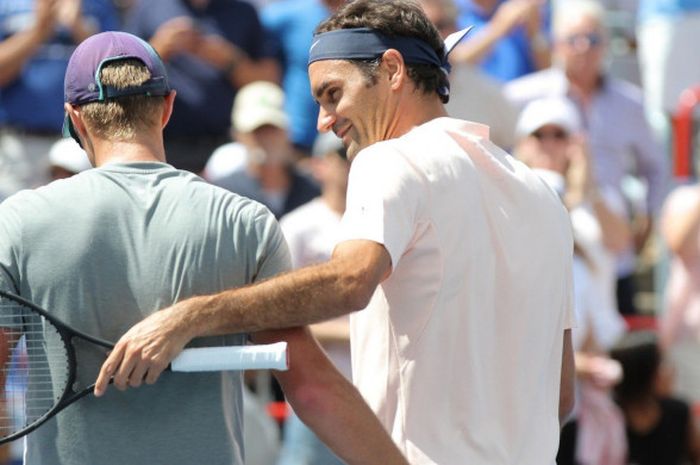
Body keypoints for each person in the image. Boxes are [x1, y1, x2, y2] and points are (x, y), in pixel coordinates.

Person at [96, 2, 575, 464]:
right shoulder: (541, 193)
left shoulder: (388, 159)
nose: (324, 121)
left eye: (332, 94)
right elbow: (561, 394)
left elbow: (349, 281)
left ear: (391, 71)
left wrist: (190, 316)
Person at [0, 31, 407, 465]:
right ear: (168, 107)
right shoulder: (243, 221)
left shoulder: (19, 221)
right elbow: (310, 386)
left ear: (75, 118)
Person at [504, 0, 669, 315]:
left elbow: (656, 167)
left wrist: (646, 221)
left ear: (606, 44)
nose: (583, 48)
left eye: (592, 39)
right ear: (556, 44)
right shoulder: (518, 96)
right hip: (538, 241)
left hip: (610, 239)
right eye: (573, 39)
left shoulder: (630, 103)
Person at [125, 0, 280, 173]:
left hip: (226, 147)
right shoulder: (149, 8)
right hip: (165, 146)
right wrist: (158, 49)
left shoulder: (243, 11)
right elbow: (124, 81)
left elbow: (267, 84)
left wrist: (226, 58)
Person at [276, 132, 350, 465]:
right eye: (340, 155)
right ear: (319, 166)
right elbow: (279, 314)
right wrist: (350, 333)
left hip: (380, 387)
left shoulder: (386, 219)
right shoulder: (298, 226)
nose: (350, 161)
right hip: (317, 389)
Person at [0, 0, 117, 198]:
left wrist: (78, 28)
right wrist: (39, 30)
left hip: (79, 141)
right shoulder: (7, 5)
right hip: (21, 143)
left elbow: (115, 74)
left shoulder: (99, 5)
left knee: (76, 224)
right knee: (15, 224)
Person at [205, 81, 320, 219]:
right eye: (256, 131)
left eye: (272, 129)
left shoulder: (314, 189)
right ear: (238, 135)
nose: (266, 139)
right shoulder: (222, 193)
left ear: (287, 132)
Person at [419, 0, 519, 149]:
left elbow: (519, 143)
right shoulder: (396, 89)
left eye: (440, 25)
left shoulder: (487, 91)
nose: (433, 34)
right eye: (423, 27)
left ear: (456, 28)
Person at [261, 0, 346, 156]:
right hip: (297, 137)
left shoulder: (371, 15)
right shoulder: (280, 16)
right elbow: (265, 69)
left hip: (347, 136)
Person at [610, 331, 700, 465]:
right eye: (661, 363)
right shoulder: (609, 419)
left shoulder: (679, 412)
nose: (671, 370)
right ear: (642, 373)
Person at [449, 0, 551, 82]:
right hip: (480, 98)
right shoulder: (450, 9)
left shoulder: (521, 5)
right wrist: (498, 28)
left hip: (526, 93)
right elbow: (452, 65)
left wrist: (535, 31)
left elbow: (547, 70)